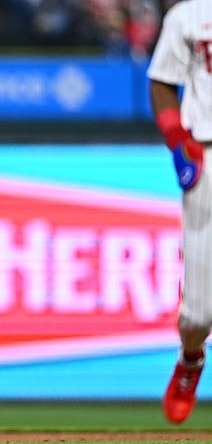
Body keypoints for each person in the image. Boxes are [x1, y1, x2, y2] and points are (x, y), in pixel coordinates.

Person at [147, 0, 211, 425]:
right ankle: (191, 357)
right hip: (208, 153)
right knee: (199, 314)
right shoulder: (189, 14)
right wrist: (176, 138)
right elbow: (162, 82)